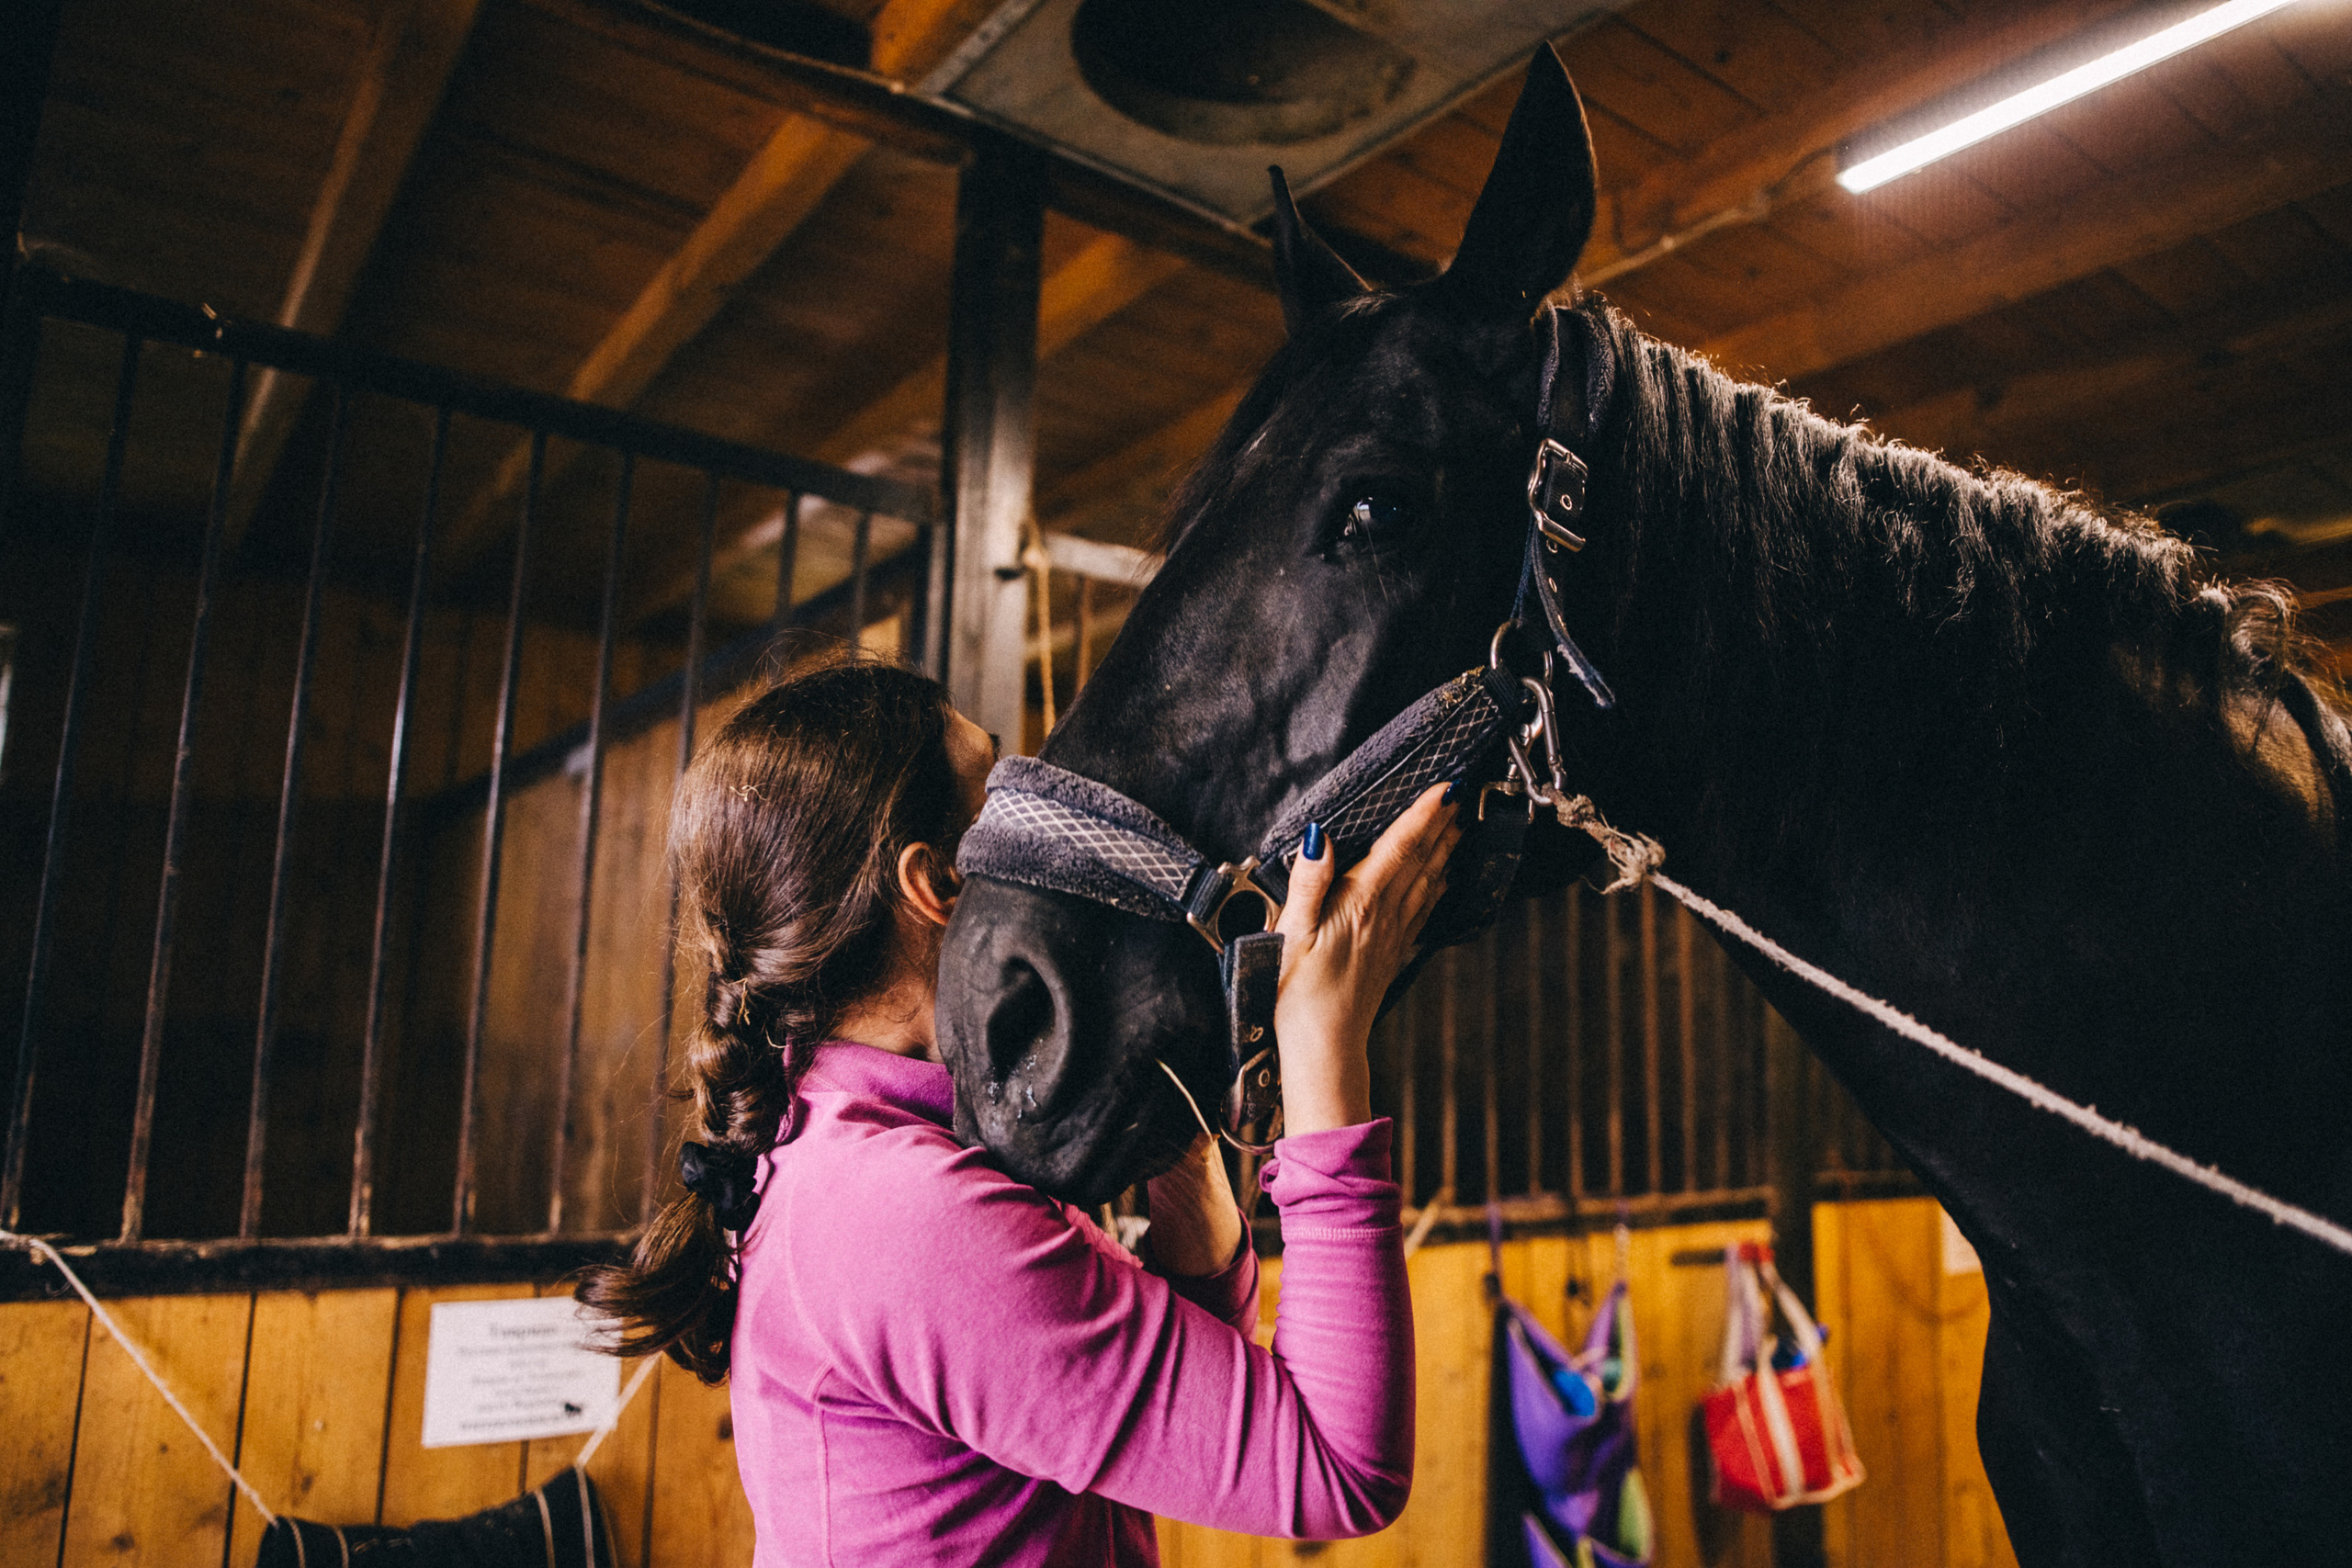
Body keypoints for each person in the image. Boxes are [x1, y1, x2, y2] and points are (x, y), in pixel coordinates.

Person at [581, 649, 1462, 1564]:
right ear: (939, 888)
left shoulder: (866, 1141)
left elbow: (1190, 1395)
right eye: (1000, 802)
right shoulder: (898, 1211)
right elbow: (1335, 1467)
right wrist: (1325, 1031)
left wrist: (1172, 1130)